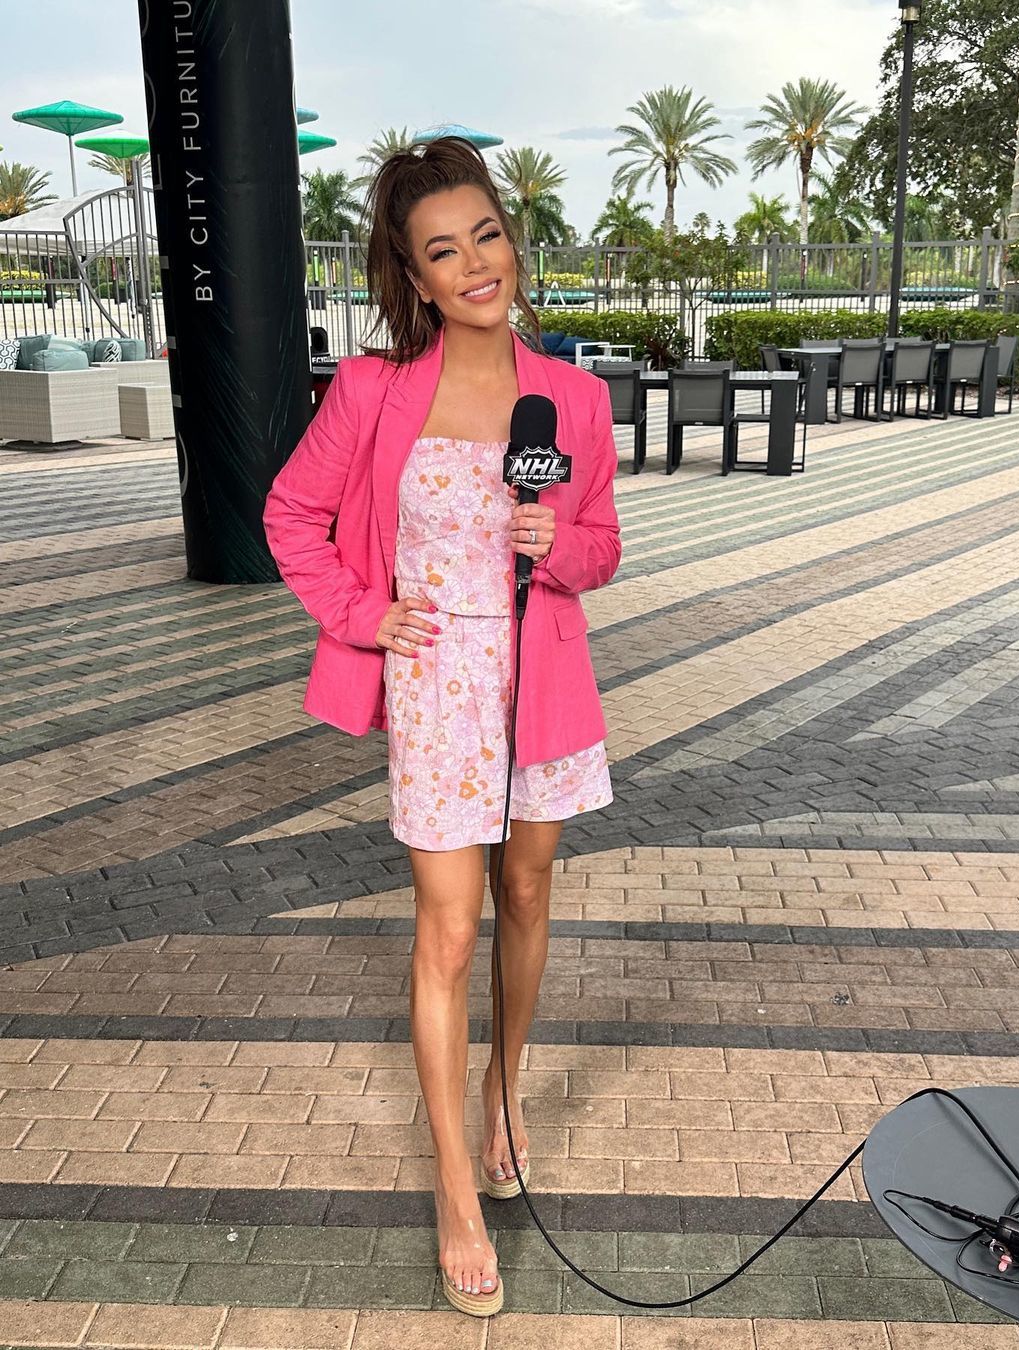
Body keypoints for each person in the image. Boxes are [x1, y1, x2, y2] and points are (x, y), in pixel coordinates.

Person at [263, 136, 621, 1317]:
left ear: (510, 242)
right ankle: (456, 1188)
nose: (476, 265)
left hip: (543, 682)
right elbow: (291, 514)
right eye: (443, 250)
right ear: (412, 275)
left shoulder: (571, 397)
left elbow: (603, 544)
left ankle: (504, 1094)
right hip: (438, 687)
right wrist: (362, 615)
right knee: (450, 931)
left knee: (529, 893)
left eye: (487, 236)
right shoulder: (373, 391)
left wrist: (558, 546)